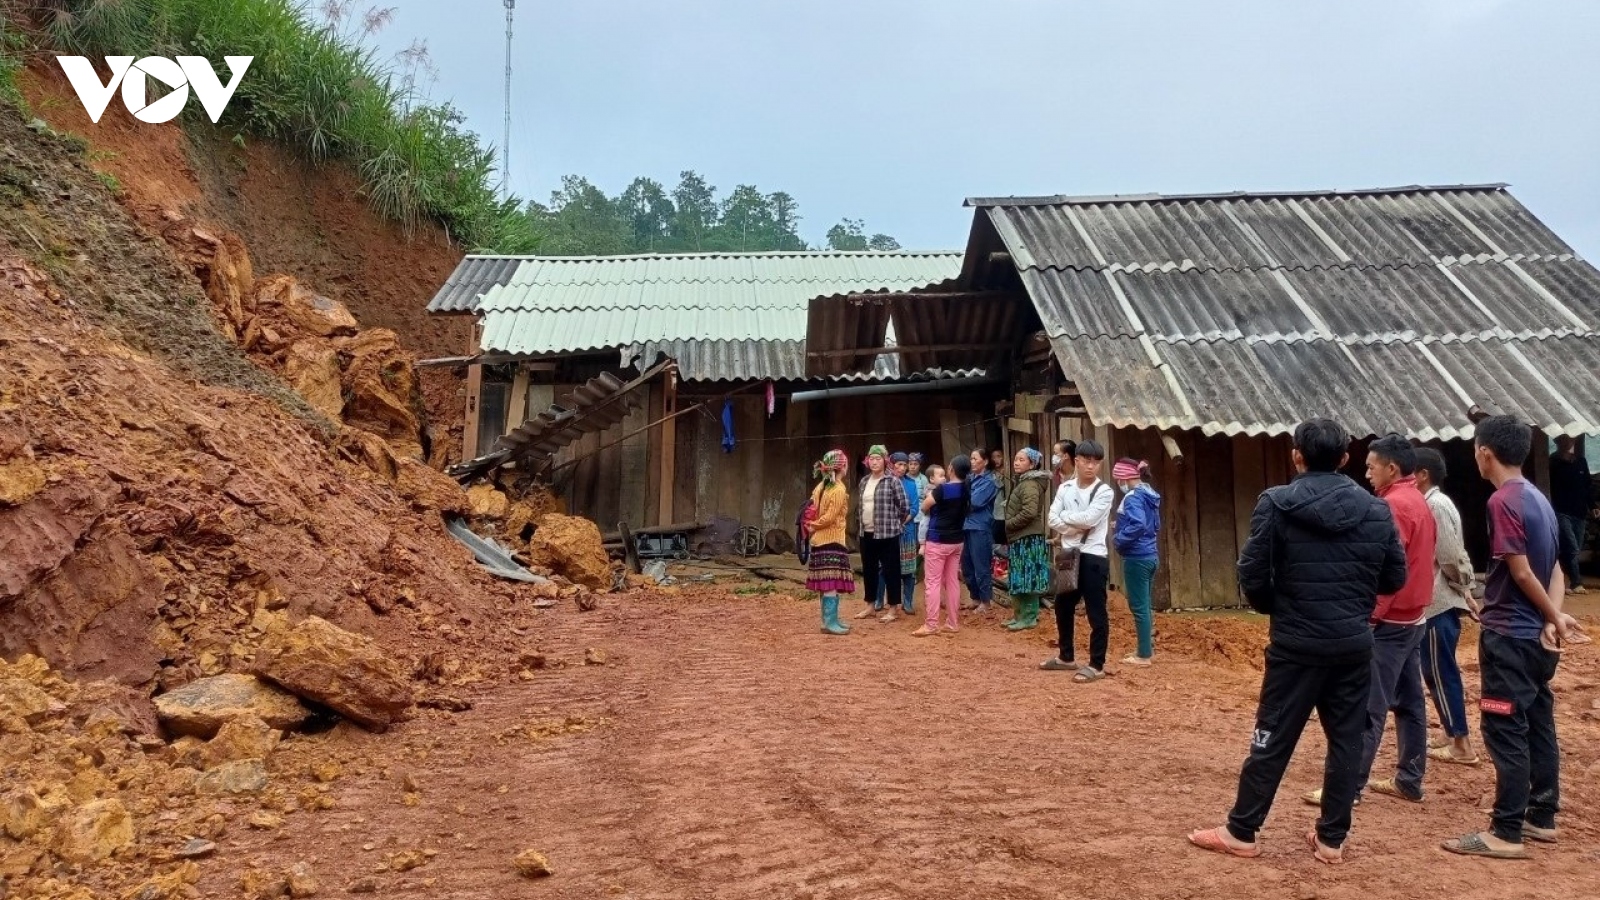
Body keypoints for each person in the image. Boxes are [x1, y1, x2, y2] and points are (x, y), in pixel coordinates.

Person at [1189, 418, 1406, 865]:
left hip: (1295, 644)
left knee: (1272, 736)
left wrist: (1276, 607)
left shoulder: (1278, 502)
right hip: (1352, 643)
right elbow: (1393, 578)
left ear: (1297, 456)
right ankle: (1331, 840)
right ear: (1345, 459)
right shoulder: (1376, 510)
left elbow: (1251, 571)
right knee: (1347, 739)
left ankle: (1242, 831)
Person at [1441, 415, 1586, 860]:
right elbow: (1556, 568)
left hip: (1508, 640)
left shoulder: (1502, 501)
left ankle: (1505, 831)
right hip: (1536, 641)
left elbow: (1521, 570)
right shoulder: (1539, 499)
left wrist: (1551, 617)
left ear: (1485, 452)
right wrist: (1553, 617)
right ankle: (1541, 817)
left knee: (1504, 728)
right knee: (1539, 723)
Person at [1320, 433, 1436, 807]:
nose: (1366, 473)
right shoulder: (1416, 499)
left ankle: (1348, 788)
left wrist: (1370, 616)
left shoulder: (1393, 507)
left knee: (1368, 706)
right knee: (1409, 701)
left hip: (1391, 623)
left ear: (1392, 468)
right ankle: (1410, 777)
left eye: (1371, 467)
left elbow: (1386, 568)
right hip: (1414, 618)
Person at [1413, 447, 1481, 766]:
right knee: (1437, 671)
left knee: (1440, 672)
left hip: (1439, 601)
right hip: (1443, 599)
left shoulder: (1435, 506)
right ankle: (1452, 734)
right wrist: (1465, 590)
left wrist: (1462, 585)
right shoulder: (1436, 503)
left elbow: (1450, 556)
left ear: (1423, 475)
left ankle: (1462, 745)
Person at [1042, 440, 1115, 682]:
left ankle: (1096, 664)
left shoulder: (1104, 491)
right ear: (1077, 461)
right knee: (1063, 605)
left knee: (1096, 610)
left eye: (1096, 462)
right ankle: (1066, 656)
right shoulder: (1065, 488)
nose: (1091, 466)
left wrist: (1068, 522)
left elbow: (1090, 519)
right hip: (1069, 554)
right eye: (1086, 461)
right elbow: (1053, 519)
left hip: (1094, 556)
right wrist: (1074, 525)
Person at [1112, 458, 1162, 666]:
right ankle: (1147, 648)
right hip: (1151, 554)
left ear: (1124, 478)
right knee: (1146, 605)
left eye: (1117, 479)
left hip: (1136, 557)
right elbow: (1154, 524)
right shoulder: (1149, 495)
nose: (1117, 484)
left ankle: (1143, 654)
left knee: (1139, 607)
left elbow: (1139, 524)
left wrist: (1118, 538)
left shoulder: (1132, 497)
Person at [854, 445, 911, 623]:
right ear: (867, 461)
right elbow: (861, 506)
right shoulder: (864, 481)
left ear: (885, 461)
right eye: (871, 459)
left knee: (891, 570)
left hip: (888, 534)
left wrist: (895, 523)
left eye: (878, 459)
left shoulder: (892, 481)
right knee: (869, 570)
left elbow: (904, 507)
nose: (874, 462)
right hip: (867, 533)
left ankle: (893, 609)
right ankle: (870, 605)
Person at [915, 459, 969, 636]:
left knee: (932, 582)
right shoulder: (966, 488)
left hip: (938, 539)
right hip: (957, 540)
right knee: (952, 581)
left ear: (951, 469)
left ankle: (931, 624)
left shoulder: (943, 489)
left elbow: (924, 506)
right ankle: (952, 622)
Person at [804, 449, 855, 635]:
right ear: (843, 467)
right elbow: (831, 517)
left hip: (819, 541)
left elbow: (811, 507)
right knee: (831, 583)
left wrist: (811, 525)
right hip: (831, 540)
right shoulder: (838, 489)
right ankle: (830, 622)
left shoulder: (821, 486)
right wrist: (815, 525)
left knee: (826, 583)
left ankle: (828, 620)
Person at [1002, 448, 1052, 632]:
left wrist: (1009, 524)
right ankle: (1019, 616)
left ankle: (1029, 617)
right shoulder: (1024, 482)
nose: (1016, 462)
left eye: (1022, 460)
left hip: (1028, 537)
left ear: (1032, 464)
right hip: (1021, 536)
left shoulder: (1030, 484)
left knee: (1028, 577)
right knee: (1019, 576)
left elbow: (1030, 512)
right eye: (1016, 459)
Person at [1549, 435, 1593, 594]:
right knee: (1572, 547)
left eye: (1571, 439)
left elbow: (1587, 486)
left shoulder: (1581, 462)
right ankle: (1576, 582)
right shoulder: (1552, 462)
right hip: (1561, 511)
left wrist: (1592, 505)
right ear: (1557, 441)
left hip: (1579, 512)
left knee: (1574, 548)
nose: (1569, 442)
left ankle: (1561, 578)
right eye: (1565, 439)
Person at [961, 447, 999, 615]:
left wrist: (960, 500)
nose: (972, 461)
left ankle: (986, 600)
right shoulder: (968, 478)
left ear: (985, 461)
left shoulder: (989, 481)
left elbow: (975, 502)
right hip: (965, 526)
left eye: (976, 458)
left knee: (981, 565)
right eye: (971, 458)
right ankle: (975, 597)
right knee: (967, 564)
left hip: (980, 526)